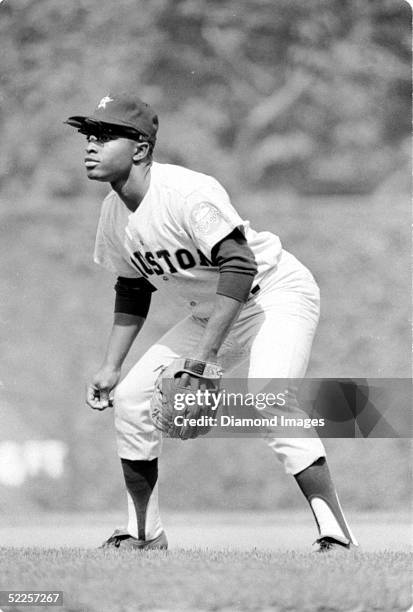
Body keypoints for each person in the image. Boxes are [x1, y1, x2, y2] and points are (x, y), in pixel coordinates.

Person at [65, 92, 358, 552]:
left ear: (140, 148)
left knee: (269, 399)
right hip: (213, 311)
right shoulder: (112, 213)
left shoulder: (185, 192)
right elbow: (133, 288)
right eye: (88, 135)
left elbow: (239, 265)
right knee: (132, 398)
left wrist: (201, 360)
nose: (90, 144)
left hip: (273, 294)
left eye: (105, 136)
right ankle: (144, 536)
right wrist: (110, 365)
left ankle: (336, 538)